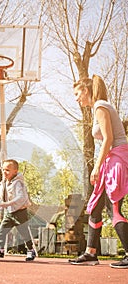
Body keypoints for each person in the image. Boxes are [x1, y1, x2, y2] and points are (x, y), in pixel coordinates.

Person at [69, 75, 128, 268]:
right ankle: (90, 253)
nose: (77, 99)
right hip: (109, 160)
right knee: (94, 207)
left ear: (86, 91)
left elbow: (109, 139)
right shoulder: (98, 108)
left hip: (117, 158)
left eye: (78, 94)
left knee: (114, 208)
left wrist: (96, 167)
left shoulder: (101, 106)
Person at [0, 159, 36, 261]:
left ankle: (30, 250)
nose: (4, 172)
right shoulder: (4, 183)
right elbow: (0, 194)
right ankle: (0, 250)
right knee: (2, 230)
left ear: (15, 171)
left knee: (24, 233)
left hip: (20, 212)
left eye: (7, 170)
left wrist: (8, 203)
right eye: (3, 170)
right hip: (10, 213)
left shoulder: (18, 183)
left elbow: (21, 197)